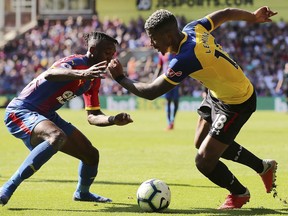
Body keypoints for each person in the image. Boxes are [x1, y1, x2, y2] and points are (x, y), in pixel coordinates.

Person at [108, 6, 278, 209]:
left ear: (168, 35)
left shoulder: (186, 58)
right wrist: (252, 16)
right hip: (216, 94)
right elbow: (225, 13)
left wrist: (120, 77)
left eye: (154, 39)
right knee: (201, 142)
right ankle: (263, 167)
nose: (151, 44)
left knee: (204, 161)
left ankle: (239, 193)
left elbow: (151, 92)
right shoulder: (193, 28)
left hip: (237, 102)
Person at [0, 31, 133, 206]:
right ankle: (7, 188)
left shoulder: (94, 79)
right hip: (21, 110)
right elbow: (50, 74)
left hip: (47, 115)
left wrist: (112, 119)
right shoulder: (77, 62)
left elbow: (93, 116)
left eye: (113, 54)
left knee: (91, 155)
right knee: (57, 136)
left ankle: (82, 193)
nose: (110, 58)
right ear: (92, 50)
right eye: (107, 53)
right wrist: (83, 74)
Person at [153, 53, 180, 130]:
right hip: (166, 82)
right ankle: (169, 122)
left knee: (176, 102)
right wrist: (154, 80)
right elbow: (159, 67)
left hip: (176, 81)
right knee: (168, 101)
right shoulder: (162, 54)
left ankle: (172, 120)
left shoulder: (176, 51)